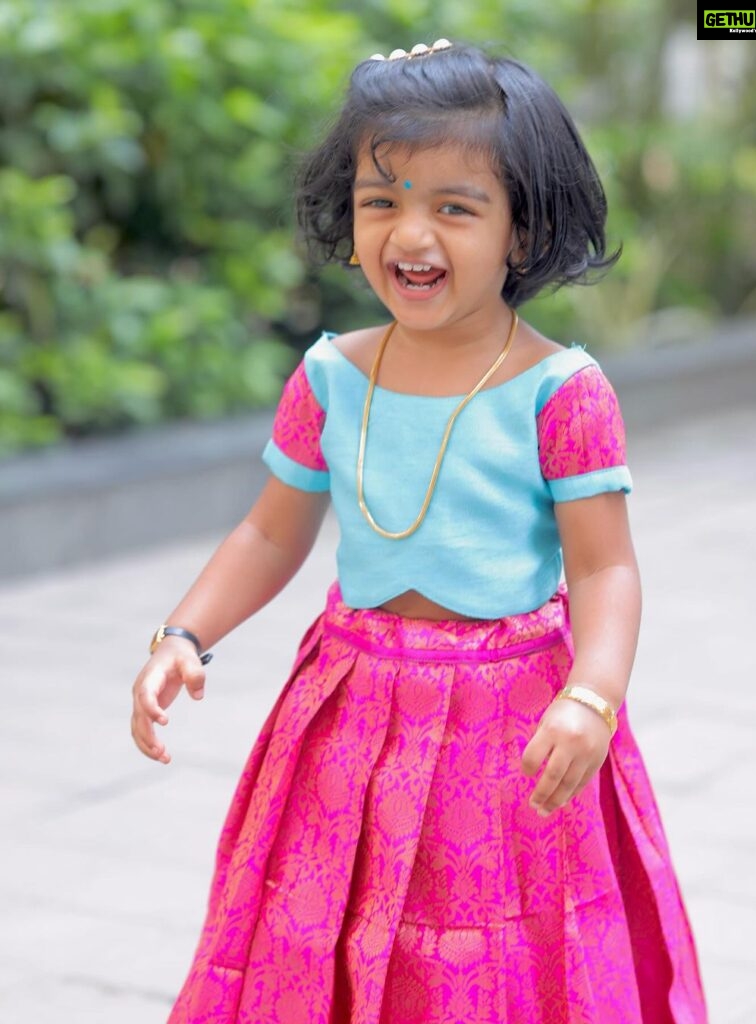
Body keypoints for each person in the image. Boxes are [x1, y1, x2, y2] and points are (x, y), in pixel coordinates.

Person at [130, 40, 708, 1024]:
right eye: (382, 199)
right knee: (342, 925)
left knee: (493, 943)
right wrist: (183, 635)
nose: (411, 233)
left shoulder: (560, 393)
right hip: (350, 709)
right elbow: (271, 536)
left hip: (514, 720)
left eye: (455, 205)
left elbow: (605, 570)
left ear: (522, 232)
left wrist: (592, 697)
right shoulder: (330, 376)